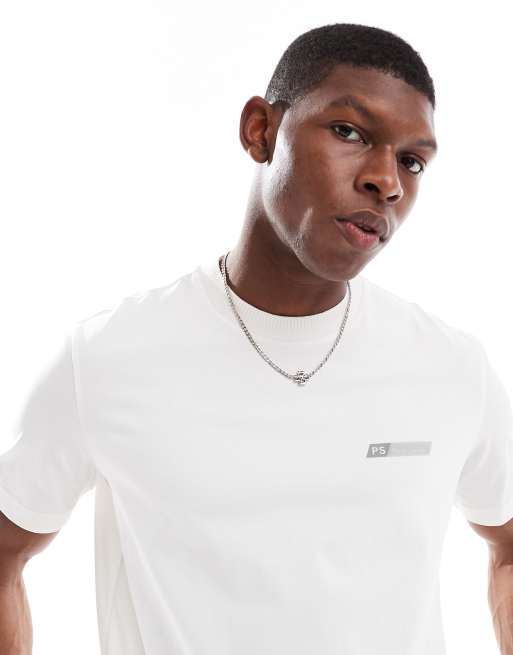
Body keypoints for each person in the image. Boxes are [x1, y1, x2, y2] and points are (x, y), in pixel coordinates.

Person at [1, 21, 512, 655]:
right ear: (261, 131)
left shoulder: (451, 367)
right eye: (349, 132)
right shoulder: (109, 358)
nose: (388, 181)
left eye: (412, 161)